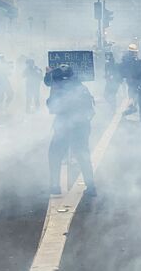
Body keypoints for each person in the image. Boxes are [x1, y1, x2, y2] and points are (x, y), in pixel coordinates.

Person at [44, 64, 96, 196]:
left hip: (64, 126)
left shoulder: (59, 89)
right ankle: (91, 187)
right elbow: (91, 111)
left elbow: (52, 107)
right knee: (83, 155)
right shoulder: (82, 88)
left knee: (54, 154)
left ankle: (55, 186)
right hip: (82, 126)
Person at [120, 44, 140, 116]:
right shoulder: (129, 60)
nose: (136, 53)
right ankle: (131, 107)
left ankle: (132, 106)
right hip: (132, 79)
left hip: (132, 79)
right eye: (134, 52)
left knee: (133, 93)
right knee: (133, 93)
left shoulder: (129, 59)